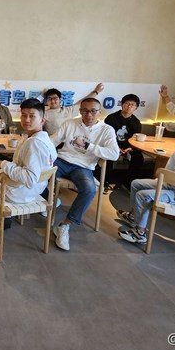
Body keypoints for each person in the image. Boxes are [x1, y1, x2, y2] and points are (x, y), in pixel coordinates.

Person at [0, 98, 57, 229]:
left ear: (42, 120)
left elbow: (29, 179)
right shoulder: (46, 139)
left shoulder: (34, 143)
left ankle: (4, 209)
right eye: (24, 115)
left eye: (32, 116)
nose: (27, 120)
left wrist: (3, 165)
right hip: (36, 190)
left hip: (19, 192)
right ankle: (4, 210)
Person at [49, 97, 120, 251]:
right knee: (38, 171)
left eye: (93, 111)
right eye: (85, 111)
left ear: (99, 112)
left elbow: (114, 154)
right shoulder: (70, 123)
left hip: (83, 167)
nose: (89, 115)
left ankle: (64, 225)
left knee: (89, 190)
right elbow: (53, 141)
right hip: (62, 160)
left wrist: (89, 146)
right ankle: (47, 201)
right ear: (80, 111)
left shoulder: (106, 130)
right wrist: (39, 146)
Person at [103, 94, 144, 187]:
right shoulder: (111, 118)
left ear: (136, 107)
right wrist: (116, 147)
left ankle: (129, 183)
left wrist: (129, 148)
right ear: (122, 104)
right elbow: (106, 135)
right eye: (127, 103)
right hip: (112, 144)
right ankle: (105, 181)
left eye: (132, 105)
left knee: (138, 157)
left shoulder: (136, 122)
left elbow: (135, 138)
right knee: (108, 155)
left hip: (128, 146)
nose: (129, 106)